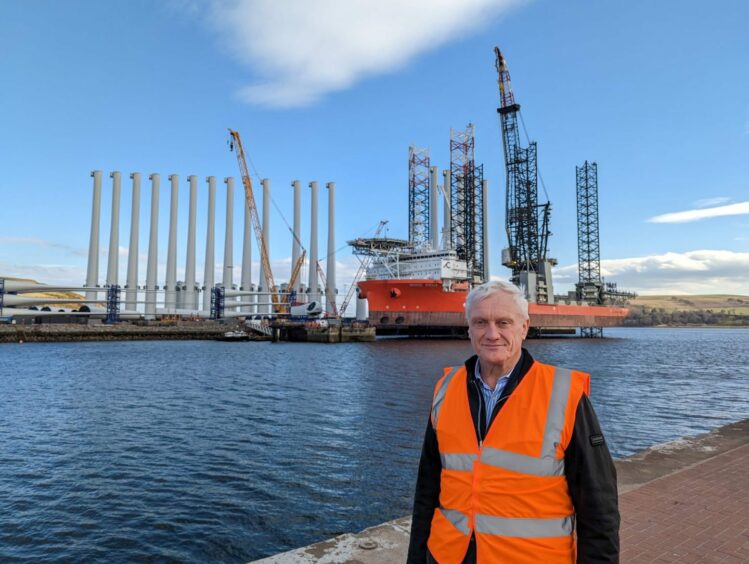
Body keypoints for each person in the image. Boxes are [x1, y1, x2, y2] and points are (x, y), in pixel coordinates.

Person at [407, 280, 619, 563]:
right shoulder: (446, 388)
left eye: (503, 322)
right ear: (468, 328)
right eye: (481, 322)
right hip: (448, 556)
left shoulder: (564, 394)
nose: (492, 333)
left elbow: (599, 506)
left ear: (524, 327)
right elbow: (427, 491)